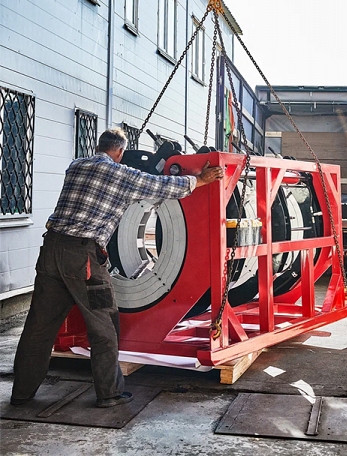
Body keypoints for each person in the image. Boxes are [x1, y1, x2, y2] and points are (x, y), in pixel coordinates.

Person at [11, 128, 223, 408]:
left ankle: (22, 393)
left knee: (39, 326)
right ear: (120, 152)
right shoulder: (120, 174)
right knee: (104, 325)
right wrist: (201, 180)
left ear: (99, 146)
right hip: (83, 259)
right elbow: (160, 186)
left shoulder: (76, 166)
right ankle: (109, 394)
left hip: (51, 250)